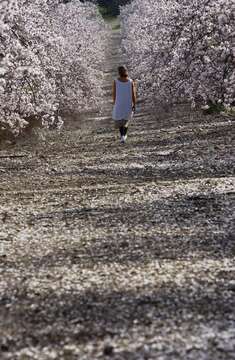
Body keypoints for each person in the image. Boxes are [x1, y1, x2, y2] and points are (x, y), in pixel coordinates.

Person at [112, 66, 136, 143]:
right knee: (126, 120)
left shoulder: (115, 81)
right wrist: (134, 103)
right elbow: (133, 94)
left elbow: (114, 93)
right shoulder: (131, 81)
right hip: (127, 103)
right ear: (126, 71)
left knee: (120, 120)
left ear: (119, 72)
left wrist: (114, 102)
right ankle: (124, 136)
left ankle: (122, 136)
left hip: (119, 103)